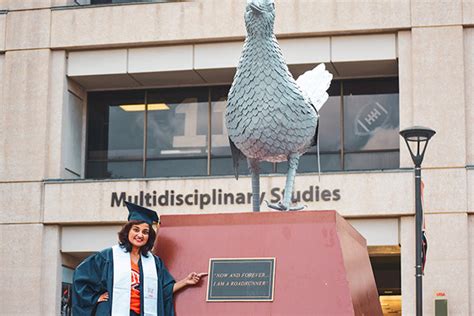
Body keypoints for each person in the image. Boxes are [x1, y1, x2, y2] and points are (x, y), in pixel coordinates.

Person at [72, 201, 206, 316]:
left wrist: (186, 282)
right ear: (128, 231)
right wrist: (95, 298)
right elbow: (81, 278)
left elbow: (163, 291)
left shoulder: (154, 262)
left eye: (145, 232)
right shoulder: (108, 256)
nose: (140, 235)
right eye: (136, 230)